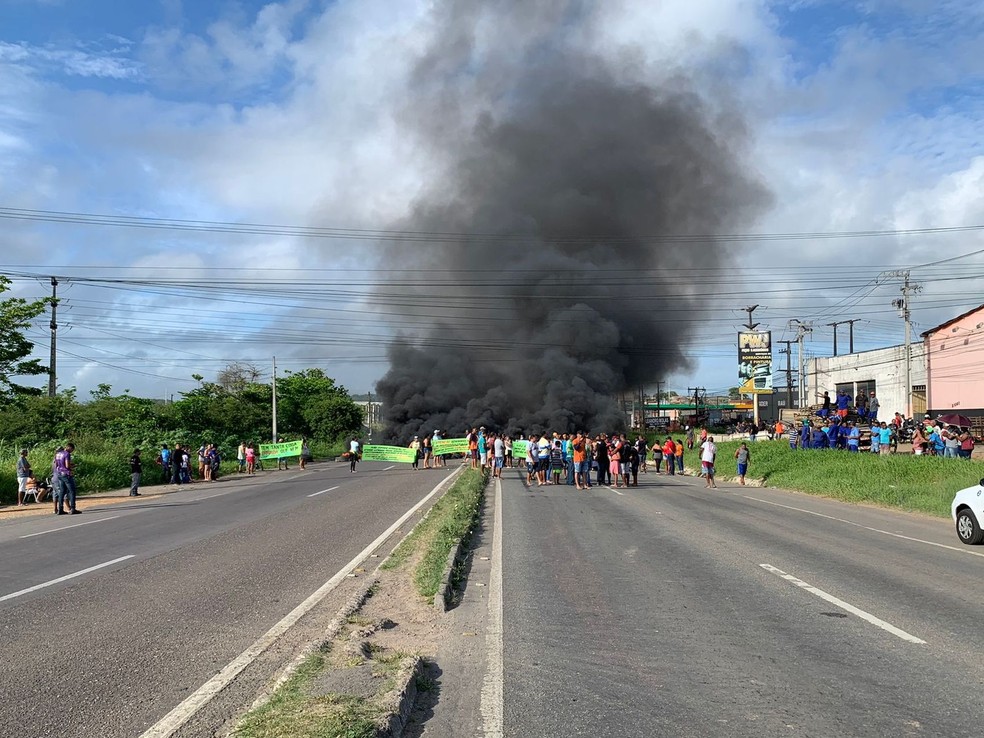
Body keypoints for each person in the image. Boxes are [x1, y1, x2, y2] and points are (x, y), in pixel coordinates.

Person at [53, 443, 78, 515]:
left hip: (60, 474)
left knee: (62, 492)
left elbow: (56, 465)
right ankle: (73, 508)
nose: (71, 451)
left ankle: (60, 509)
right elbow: (67, 465)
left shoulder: (57, 454)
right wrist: (72, 466)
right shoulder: (67, 454)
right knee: (72, 491)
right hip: (66, 474)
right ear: (69, 448)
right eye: (72, 450)